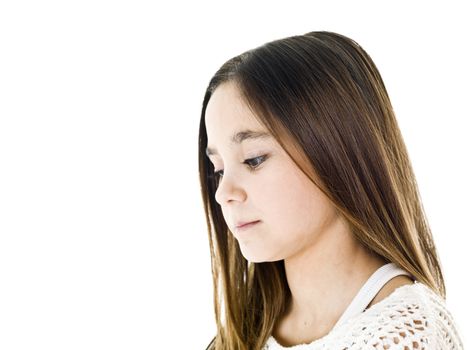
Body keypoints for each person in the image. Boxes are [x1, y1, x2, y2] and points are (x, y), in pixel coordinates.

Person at [198, 31, 464, 350]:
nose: (224, 192)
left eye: (253, 159)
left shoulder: (406, 336)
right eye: (219, 170)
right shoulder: (242, 333)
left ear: (339, 151)